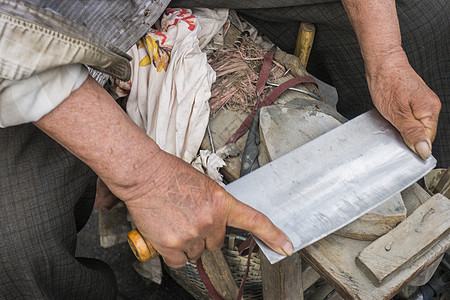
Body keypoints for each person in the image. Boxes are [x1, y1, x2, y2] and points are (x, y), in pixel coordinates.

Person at [0, 0, 447, 298]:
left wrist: (387, 56)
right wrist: (144, 176)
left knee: (424, 20)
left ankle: (431, 226)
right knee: (16, 247)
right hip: (28, 42)